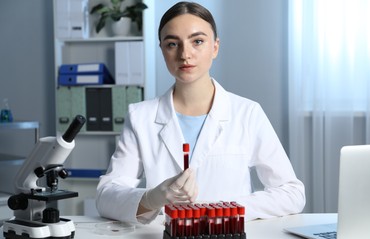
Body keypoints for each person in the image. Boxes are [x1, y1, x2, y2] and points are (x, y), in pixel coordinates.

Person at [96, 1, 305, 224]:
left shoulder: (247, 113)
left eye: (197, 41)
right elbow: (106, 195)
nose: (185, 54)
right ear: (162, 50)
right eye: (172, 44)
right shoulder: (141, 117)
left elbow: (292, 193)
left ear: (215, 47)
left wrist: (225, 210)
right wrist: (151, 198)